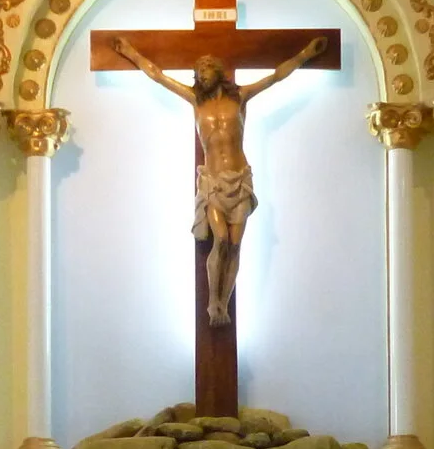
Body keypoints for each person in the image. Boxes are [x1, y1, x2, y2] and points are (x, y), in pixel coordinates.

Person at [111, 33, 328, 326]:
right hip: (213, 181)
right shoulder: (195, 101)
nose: (202, 75)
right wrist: (130, 53)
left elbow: (276, 77)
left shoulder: (240, 96)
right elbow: (158, 76)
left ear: (218, 71)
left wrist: (305, 55)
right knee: (221, 239)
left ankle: (223, 305)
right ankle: (213, 300)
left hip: (239, 180)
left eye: (207, 69)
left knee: (236, 245)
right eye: (198, 71)